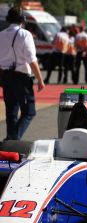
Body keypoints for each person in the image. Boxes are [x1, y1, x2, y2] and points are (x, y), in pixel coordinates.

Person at [0, 6, 45, 140]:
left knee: (11, 113)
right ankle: (12, 140)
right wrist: (40, 80)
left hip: (6, 77)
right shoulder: (25, 34)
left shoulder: (1, 34)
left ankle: (9, 142)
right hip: (21, 78)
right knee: (29, 112)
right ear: (23, 19)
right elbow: (32, 60)